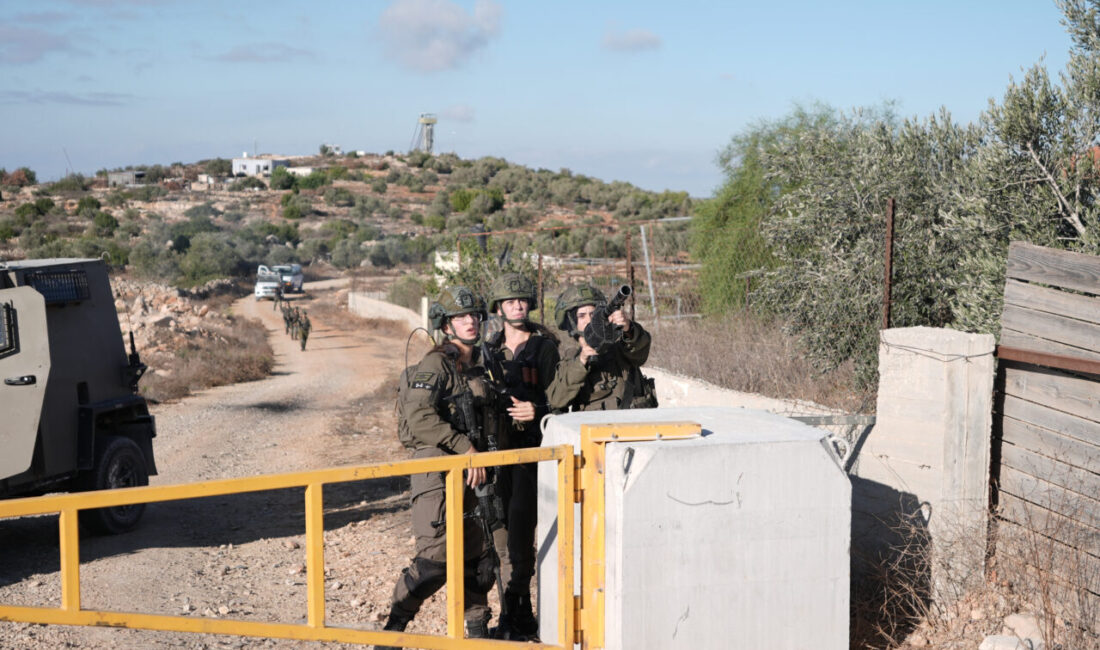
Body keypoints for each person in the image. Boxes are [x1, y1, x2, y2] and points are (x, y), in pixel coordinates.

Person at [376, 286, 498, 648]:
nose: (470, 322)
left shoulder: (481, 364)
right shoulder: (436, 363)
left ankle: (477, 633)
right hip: (438, 470)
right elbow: (418, 417)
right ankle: (393, 630)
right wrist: (465, 449)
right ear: (447, 325)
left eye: (474, 315)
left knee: (478, 560)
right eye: (460, 317)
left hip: (477, 470)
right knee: (434, 560)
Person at [481, 273, 560, 640]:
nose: (516, 304)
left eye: (522, 300)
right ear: (498, 307)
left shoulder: (544, 348)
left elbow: (562, 398)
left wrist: (538, 409)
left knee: (520, 528)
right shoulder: (489, 349)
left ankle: (517, 607)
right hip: (496, 453)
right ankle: (504, 610)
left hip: (530, 451)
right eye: (509, 300)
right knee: (497, 530)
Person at [547, 283, 655, 411]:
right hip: (595, 429)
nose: (589, 320)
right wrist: (581, 363)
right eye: (581, 316)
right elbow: (556, 400)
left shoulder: (620, 347)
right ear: (571, 322)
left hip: (633, 427)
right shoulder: (571, 361)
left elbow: (640, 350)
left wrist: (628, 328)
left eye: (593, 314)